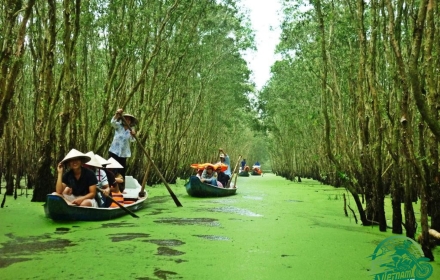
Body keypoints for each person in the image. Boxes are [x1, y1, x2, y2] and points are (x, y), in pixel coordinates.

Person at [108, 108, 137, 179]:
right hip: (114, 152)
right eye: (125, 119)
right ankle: (110, 186)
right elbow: (112, 122)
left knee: (121, 171)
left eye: (128, 119)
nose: (127, 120)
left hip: (123, 154)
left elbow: (132, 140)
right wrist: (117, 114)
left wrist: (134, 135)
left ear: (130, 121)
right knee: (112, 170)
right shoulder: (118, 126)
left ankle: (121, 188)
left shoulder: (131, 130)